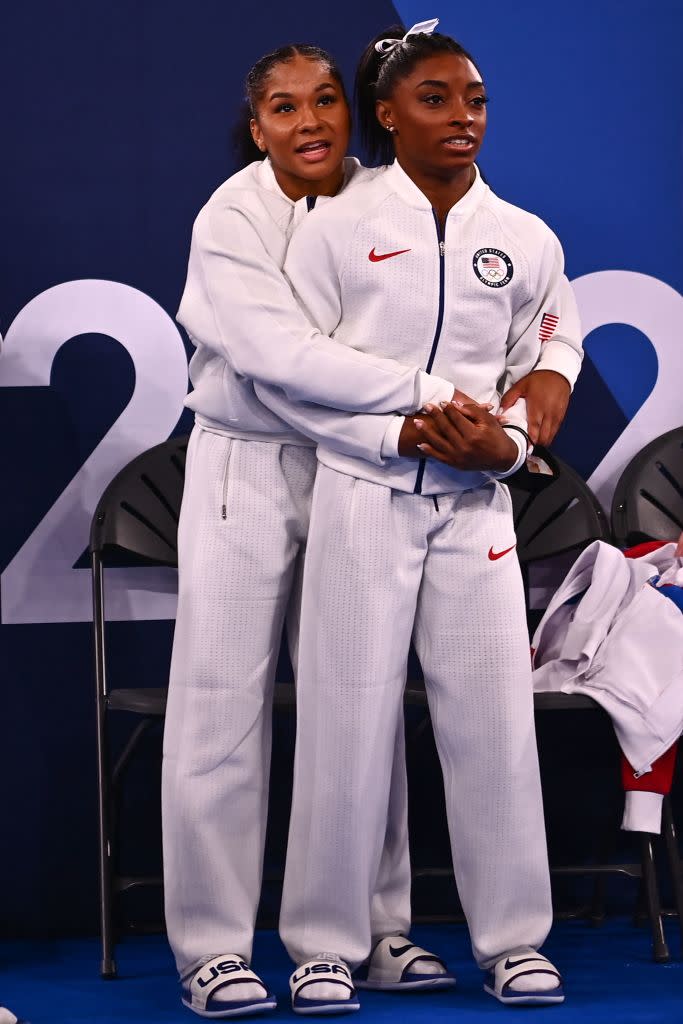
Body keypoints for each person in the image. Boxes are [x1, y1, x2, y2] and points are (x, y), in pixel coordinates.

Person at [163, 36, 580, 1019]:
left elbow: (541, 335)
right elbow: (275, 354)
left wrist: (493, 434)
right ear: (253, 124)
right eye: (282, 109)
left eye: (323, 103)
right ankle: (214, 947)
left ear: (356, 114)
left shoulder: (371, 201)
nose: (308, 123)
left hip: (369, 466)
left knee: (363, 713)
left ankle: (372, 927)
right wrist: (442, 408)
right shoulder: (233, 216)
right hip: (254, 469)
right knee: (221, 709)